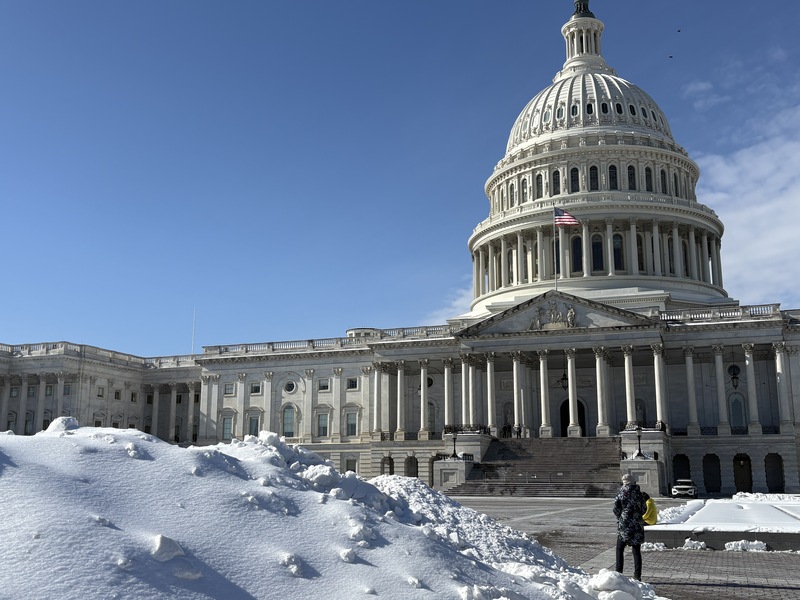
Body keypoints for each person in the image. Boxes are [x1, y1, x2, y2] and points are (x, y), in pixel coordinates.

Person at [613, 473, 646, 581]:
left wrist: (621, 516)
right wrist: (637, 515)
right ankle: (637, 575)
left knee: (619, 548)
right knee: (636, 550)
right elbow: (644, 509)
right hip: (636, 524)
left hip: (624, 525)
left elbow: (616, 509)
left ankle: (619, 573)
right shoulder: (639, 494)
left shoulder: (621, 493)